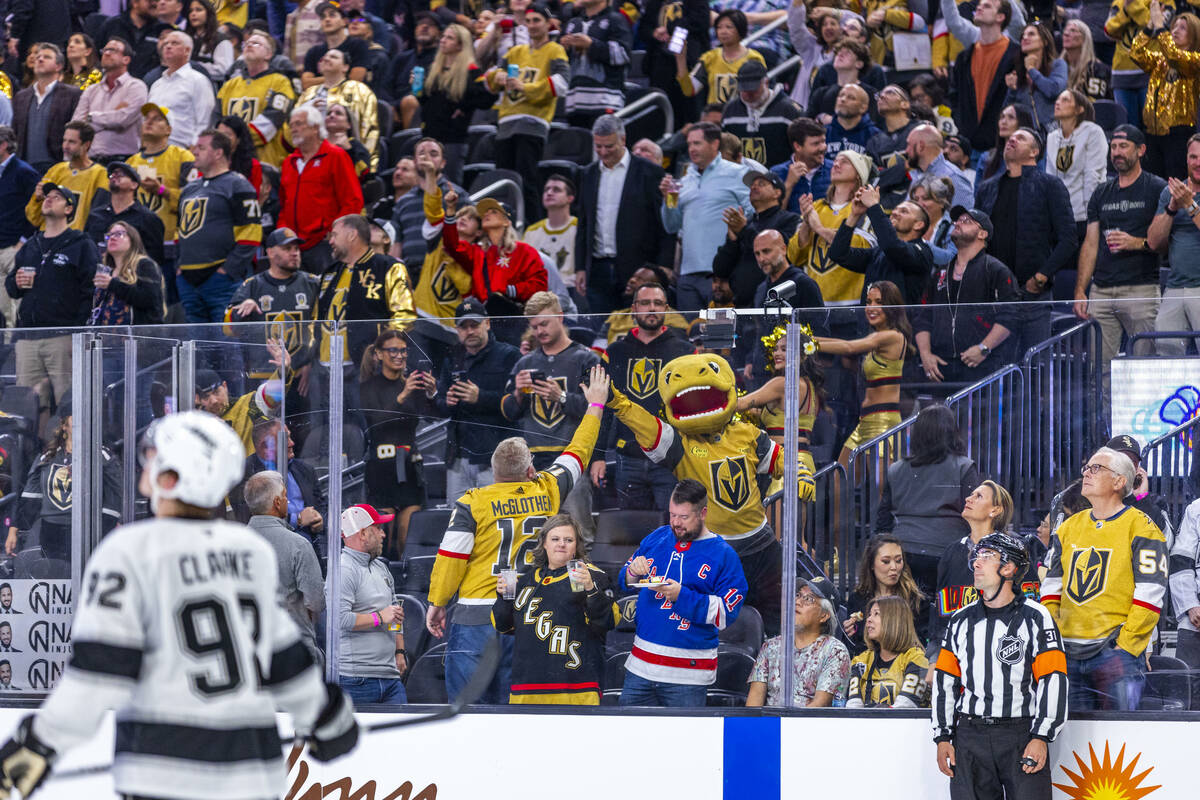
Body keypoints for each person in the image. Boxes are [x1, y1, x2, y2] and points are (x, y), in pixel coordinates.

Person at [0, 412, 358, 800]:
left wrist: (35, 746)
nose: (144, 467)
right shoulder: (248, 552)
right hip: (252, 777)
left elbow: (97, 677)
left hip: (163, 776)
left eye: (153, 459)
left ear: (170, 479)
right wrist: (327, 719)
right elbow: (283, 657)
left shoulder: (130, 551)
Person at [426, 365, 609, 704]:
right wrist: (596, 405)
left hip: (474, 614)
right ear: (530, 470)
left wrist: (437, 603)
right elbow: (579, 451)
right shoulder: (549, 487)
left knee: (467, 713)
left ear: (494, 474)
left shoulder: (472, 502)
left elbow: (451, 558)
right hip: (525, 613)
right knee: (513, 713)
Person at [932, 532, 1068, 799]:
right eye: (976, 556)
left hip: (1020, 734)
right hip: (969, 736)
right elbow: (945, 681)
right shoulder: (960, 619)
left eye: (987, 556)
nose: (976, 563)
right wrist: (943, 736)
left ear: (1008, 568)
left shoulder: (1036, 617)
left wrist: (1042, 736)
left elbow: (1054, 679)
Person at [1041, 447, 1168, 710]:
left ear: (1120, 481)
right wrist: (1054, 639)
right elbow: (1051, 590)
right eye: (1086, 468)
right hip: (1067, 652)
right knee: (1072, 746)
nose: (1087, 473)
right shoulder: (1067, 528)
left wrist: (1125, 647)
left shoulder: (1142, 526)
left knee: (1120, 744)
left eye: (1096, 468)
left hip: (1115, 655)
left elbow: (1150, 594)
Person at [619, 479, 749, 707]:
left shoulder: (724, 555)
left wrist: (682, 596)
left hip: (687, 676)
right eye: (672, 515)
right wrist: (632, 570)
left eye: (683, 517)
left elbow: (725, 613)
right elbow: (624, 579)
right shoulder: (658, 537)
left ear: (703, 513)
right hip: (639, 667)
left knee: (685, 743)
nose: (675, 523)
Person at [1073, 125, 1165, 401]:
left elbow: (1166, 241)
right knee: (1100, 373)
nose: (1117, 153)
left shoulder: (1156, 188)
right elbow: (1090, 243)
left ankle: (1143, 434)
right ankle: (1105, 436)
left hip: (1141, 289)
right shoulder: (1102, 192)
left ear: (1141, 150)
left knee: (1145, 369)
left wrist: (1136, 242)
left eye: (1123, 146)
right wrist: (1080, 289)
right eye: (1113, 147)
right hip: (1101, 289)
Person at [501, 292, 603, 532]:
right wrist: (517, 393)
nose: (539, 331)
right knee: (535, 534)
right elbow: (507, 412)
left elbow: (599, 409)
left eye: (544, 323)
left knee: (579, 532)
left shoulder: (586, 359)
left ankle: (580, 572)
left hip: (572, 457)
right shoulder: (524, 363)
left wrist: (562, 397)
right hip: (533, 461)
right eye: (534, 326)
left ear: (560, 316)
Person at [491, 513, 619, 705]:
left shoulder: (593, 576)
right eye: (555, 539)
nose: (561, 544)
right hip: (525, 689)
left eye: (568, 540)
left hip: (577, 689)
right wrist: (502, 597)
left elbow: (609, 621)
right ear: (544, 543)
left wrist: (591, 589)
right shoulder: (524, 580)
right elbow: (502, 626)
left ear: (577, 546)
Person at [974, 126, 1077, 354]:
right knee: (997, 364)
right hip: (995, 293)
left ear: (1034, 151)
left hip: (1033, 292)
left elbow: (1069, 238)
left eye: (1020, 138)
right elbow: (977, 238)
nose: (1011, 139)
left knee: (1035, 364)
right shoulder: (987, 188)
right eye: (1010, 137)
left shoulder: (1050, 185)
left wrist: (1041, 276)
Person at [602, 282, 695, 510]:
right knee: (633, 535)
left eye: (657, 303)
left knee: (676, 529)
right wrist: (597, 456)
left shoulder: (685, 352)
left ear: (666, 309)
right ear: (634, 308)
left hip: (672, 457)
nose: (651, 309)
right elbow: (602, 407)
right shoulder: (614, 352)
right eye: (645, 303)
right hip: (628, 457)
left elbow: (692, 407)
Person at [7, 184, 98, 414]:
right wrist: (16, 282)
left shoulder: (81, 243)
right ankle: (35, 450)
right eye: (47, 196)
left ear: (69, 209)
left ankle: (67, 450)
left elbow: (91, 291)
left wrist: (76, 333)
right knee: (29, 407)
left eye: (57, 197)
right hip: (28, 336)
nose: (48, 199)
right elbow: (11, 287)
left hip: (62, 336)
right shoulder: (31, 245)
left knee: (68, 404)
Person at [877, 405, 981, 597]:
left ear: (917, 434)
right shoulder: (964, 467)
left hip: (902, 554)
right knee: (944, 615)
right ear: (951, 432)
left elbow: (883, 520)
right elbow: (977, 515)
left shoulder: (896, 469)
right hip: (947, 553)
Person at [574, 114, 672, 317]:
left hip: (640, 268)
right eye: (598, 146)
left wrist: (663, 267)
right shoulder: (587, 174)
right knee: (601, 331)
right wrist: (580, 267)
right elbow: (583, 224)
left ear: (623, 140)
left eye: (609, 146)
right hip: (598, 268)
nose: (603, 152)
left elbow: (664, 223)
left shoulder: (650, 172)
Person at [914, 207, 1020, 386]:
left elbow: (1010, 316)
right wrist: (925, 354)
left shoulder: (995, 270)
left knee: (981, 413)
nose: (957, 223)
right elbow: (923, 316)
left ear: (982, 234)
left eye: (967, 221)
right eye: (957, 221)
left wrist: (984, 348)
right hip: (941, 366)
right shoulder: (941, 273)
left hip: (982, 365)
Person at [816, 280, 912, 466]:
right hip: (865, 420)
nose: (871, 307)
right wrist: (803, 336)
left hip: (883, 421)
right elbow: (843, 343)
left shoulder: (893, 336)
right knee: (840, 477)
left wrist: (807, 344)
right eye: (868, 302)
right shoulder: (875, 337)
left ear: (891, 306)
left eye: (879, 302)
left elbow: (849, 347)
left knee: (881, 488)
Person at [6, 411, 122, 561]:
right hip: (51, 534)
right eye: (76, 418)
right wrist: (13, 530)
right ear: (64, 425)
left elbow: (114, 498)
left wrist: (104, 531)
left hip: (87, 532)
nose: (82, 421)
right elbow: (30, 499)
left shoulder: (102, 457)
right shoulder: (48, 457)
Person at [357, 330, 432, 560]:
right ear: (378, 354)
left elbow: (432, 415)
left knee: (407, 540)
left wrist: (431, 392)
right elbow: (375, 423)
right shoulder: (368, 387)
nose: (399, 356)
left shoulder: (412, 384)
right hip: (381, 471)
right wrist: (403, 394)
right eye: (393, 350)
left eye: (403, 351)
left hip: (409, 469)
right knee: (383, 541)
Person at [661, 124, 753, 312]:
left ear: (714, 144)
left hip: (724, 274)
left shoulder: (737, 173)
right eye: (689, 144)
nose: (692, 149)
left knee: (723, 336)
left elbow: (752, 213)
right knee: (692, 335)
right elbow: (671, 226)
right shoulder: (683, 181)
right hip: (687, 274)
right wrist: (667, 200)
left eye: (697, 143)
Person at [437, 298, 522, 498]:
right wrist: (447, 402)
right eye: (463, 327)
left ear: (487, 323)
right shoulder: (452, 359)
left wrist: (481, 397)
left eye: (474, 325)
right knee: (458, 521)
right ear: (457, 330)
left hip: (496, 457)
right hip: (458, 456)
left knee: (496, 519)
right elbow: (440, 404)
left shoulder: (509, 355)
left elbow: (518, 406)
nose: (470, 331)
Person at [176, 129, 263, 324]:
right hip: (188, 281)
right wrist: (179, 267)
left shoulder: (238, 185)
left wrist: (227, 271)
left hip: (221, 281)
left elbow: (251, 233)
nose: (194, 152)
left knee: (226, 345)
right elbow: (179, 230)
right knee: (195, 347)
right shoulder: (190, 188)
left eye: (201, 147)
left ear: (218, 153)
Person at [243, 470, 326, 663]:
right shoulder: (298, 545)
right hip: (294, 651)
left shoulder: (233, 544)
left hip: (249, 651)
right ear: (277, 503)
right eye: (285, 496)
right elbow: (316, 603)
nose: (288, 502)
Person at [315, 213, 415, 372]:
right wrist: (310, 357)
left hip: (367, 368)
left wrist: (384, 350)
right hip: (324, 368)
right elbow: (315, 319)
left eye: (334, 235)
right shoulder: (329, 273)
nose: (330, 241)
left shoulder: (389, 267)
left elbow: (405, 315)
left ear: (352, 235)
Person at [225, 227, 320, 385]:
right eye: (287, 248)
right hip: (262, 375)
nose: (295, 253)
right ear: (269, 252)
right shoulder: (252, 285)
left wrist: (311, 364)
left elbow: (322, 328)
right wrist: (244, 308)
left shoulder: (312, 283)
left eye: (297, 248)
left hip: (300, 376)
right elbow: (228, 328)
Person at [787, 150, 876, 319]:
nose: (836, 164)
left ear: (859, 173)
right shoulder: (816, 207)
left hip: (852, 305)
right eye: (835, 160)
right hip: (814, 305)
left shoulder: (863, 208)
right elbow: (794, 256)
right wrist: (807, 221)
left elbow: (861, 249)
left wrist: (819, 229)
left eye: (845, 161)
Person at [929, 479, 1015, 651]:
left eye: (979, 496)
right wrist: (935, 656)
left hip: (1000, 649)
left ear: (995, 510)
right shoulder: (952, 551)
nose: (969, 499)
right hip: (956, 649)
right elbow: (941, 612)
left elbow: (1028, 606)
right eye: (971, 494)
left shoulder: (1013, 551)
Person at [336, 501, 408, 705]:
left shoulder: (380, 567)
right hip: (356, 678)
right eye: (378, 528)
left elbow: (395, 612)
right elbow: (339, 618)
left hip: (390, 676)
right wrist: (379, 617)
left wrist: (399, 651)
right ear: (362, 534)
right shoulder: (343, 569)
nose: (384, 534)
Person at [279, 104, 364, 274]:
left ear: (315, 128)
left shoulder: (336, 156)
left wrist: (337, 232)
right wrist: (284, 234)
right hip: (294, 245)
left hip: (325, 244)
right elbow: (284, 204)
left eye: (299, 124)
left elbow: (353, 200)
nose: (293, 129)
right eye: (291, 125)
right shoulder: (289, 162)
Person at [746, 576, 850, 707]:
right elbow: (754, 703)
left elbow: (820, 705)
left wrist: (788, 726)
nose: (798, 602)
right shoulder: (770, 647)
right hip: (770, 725)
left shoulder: (835, 652)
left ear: (824, 616)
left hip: (809, 725)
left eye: (808, 599)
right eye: (798, 595)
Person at [828, 183, 933, 305]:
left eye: (904, 211)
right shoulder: (877, 253)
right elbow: (838, 254)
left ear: (918, 224)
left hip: (901, 323)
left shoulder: (922, 252)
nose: (894, 213)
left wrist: (873, 206)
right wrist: (854, 215)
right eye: (895, 209)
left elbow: (892, 247)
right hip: (869, 321)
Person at [738, 326, 823, 475]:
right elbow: (783, 419)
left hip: (783, 461)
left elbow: (741, 404)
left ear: (802, 356)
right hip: (805, 462)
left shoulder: (781, 383)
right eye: (776, 349)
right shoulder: (810, 386)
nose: (777, 353)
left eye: (784, 349)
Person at [712, 169, 801, 308]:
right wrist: (732, 240)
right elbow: (720, 269)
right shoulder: (744, 222)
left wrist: (744, 230)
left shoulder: (789, 220)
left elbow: (787, 254)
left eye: (761, 184)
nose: (754, 187)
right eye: (752, 185)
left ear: (777, 193)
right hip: (742, 305)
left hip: (776, 303)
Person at [1130, 2, 1200, 180]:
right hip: (1152, 133)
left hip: (1179, 134)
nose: (1175, 30)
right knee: (1153, 186)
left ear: (1194, 36)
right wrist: (1150, 26)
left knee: (1176, 184)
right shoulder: (1160, 61)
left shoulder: (1195, 60)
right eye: (1174, 26)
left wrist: (1161, 27)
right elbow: (1136, 53)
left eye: (1182, 28)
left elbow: (1174, 56)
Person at [417, 24, 494, 185]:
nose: (443, 40)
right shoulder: (434, 69)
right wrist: (416, 89)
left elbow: (486, 99)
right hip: (429, 135)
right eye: (443, 36)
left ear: (460, 45)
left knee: (450, 186)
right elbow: (425, 101)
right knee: (424, 184)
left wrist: (464, 107)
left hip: (453, 139)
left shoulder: (471, 71)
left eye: (449, 38)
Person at [128, 103, 197, 273]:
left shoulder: (182, 156)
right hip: (136, 245)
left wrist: (162, 191)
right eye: (146, 119)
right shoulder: (131, 162)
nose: (149, 122)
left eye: (157, 119)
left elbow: (194, 200)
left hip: (169, 242)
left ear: (169, 130)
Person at [949, 0, 1021, 153]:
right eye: (979, 5)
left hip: (1002, 145)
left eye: (987, 6)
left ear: (1000, 17)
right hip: (970, 143)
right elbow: (954, 95)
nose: (979, 7)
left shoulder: (1016, 55)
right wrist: (961, 122)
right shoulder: (964, 57)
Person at [1150, 134, 1200, 355]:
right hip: (1175, 286)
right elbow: (1153, 242)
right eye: (1193, 157)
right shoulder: (1170, 193)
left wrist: (1190, 205)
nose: (1198, 163)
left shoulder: (1186, 198)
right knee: (1166, 356)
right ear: (1186, 159)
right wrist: (1171, 207)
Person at [218, 30, 297, 167]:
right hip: (230, 160)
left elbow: (274, 118)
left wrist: (236, 139)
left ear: (268, 54)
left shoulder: (280, 82)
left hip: (265, 161)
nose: (249, 45)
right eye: (247, 43)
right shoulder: (229, 85)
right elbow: (217, 118)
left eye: (256, 43)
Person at [295, 47, 380, 172]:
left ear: (345, 67)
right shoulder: (308, 94)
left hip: (348, 159)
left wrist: (368, 169)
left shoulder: (360, 90)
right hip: (308, 160)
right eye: (324, 57)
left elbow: (370, 130)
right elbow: (292, 129)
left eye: (333, 57)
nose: (326, 59)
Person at [844, 534, 927, 655]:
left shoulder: (917, 601)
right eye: (886, 561)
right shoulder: (857, 599)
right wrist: (850, 633)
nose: (894, 567)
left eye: (898, 561)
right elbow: (854, 649)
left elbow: (922, 645)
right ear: (871, 564)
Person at [1045, 90, 1109, 241]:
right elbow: (1050, 179)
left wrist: (1092, 216)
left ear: (1079, 109)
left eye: (1065, 100)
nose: (1058, 102)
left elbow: (1092, 175)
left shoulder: (1093, 132)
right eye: (1058, 99)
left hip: (1084, 216)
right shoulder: (1052, 137)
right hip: (1058, 217)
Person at [845, 595, 930, 708]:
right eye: (869, 614)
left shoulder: (917, 658)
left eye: (876, 614)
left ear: (894, 620)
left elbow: (905, 706)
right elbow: (853, 707)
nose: (869, 619)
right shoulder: (861, 661)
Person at [71, 38, 147, 162]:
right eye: (105, 50)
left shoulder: (136, 86)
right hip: (90, 160)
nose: (106, 53)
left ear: (126, 59)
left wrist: (91, 117)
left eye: (113, 50)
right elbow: (77, 125)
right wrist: (111, 119)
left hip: (124, 160)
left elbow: (123, 119)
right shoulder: (91, 90)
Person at [560, 0, 633, 128]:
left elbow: (623, 55)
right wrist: (562, 49)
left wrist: (591, 45)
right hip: (574, 101)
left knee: (603, 146)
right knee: (580, 146)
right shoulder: (572, 23)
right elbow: (562, 64)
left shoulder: (616, 19)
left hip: (606, 100)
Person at [25, 121, 108, 233]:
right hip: (46, 238)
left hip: (76, 241)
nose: (65, 146)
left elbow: (99, 218)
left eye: (72, 142)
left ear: (86, 145)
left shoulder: (100, 175)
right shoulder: (55, 170)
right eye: (64, 140)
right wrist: (38, 199)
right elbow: (33, 219)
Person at [11, 43, 82, 174]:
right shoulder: (21, 96)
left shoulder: (72, 94)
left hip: (58, 165)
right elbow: (14, 132)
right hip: (24, 167)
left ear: (59, 66)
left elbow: (76, 130)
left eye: (47, 57)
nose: (40, 59)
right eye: (38, 56)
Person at [676, 9, 765, 107]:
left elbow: (762, 92)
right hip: (714, 116)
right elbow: (689, 90)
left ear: (741, 29)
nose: (723, 31)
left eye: (729, 27)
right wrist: (681, 59)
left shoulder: (754, 58)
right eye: (719, 27)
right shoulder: (709, 57)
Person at [84, 160, 166, 266]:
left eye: (121, 174)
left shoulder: (148, 218)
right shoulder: (96, 215)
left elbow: (154, 257)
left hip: (131, 277)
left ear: (134, 185)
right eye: (112, 175)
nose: (114, 176)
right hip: (96, 275)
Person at [147, 31, 216, 149]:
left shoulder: (198, 81)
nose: (168, 46)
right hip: (152, 150)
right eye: (166, 44)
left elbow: (205, 121)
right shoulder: (156, 84)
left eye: (174, 43)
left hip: (183, 151)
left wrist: (195, 149)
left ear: (187, 50)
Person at [89, 221, 166, 327]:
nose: (112, 238)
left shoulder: (144, 265)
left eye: (119, 234)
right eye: (109, 236)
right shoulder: (108, 271)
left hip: (139, 337)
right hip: (108, 339)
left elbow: (150, 299)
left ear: (133, 240)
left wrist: (112, 284)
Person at [0, 126, 39, 328]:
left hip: (14, 249)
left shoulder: (24, 172)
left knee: (13, 310)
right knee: (2, 308)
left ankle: (13, 352)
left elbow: (37, 209)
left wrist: (23, 241)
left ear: (3, 145)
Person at [1003, 22, 1067, 130]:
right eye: (1023, 35)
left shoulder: (1058, 65)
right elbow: (1006, 112)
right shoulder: (1018, 72)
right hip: (1026, 136)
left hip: (1053, 133)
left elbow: (1053, 89)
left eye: (1031, 34)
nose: (1025, 38)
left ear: (1045, 41)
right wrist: (1012, 90)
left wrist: (1032, 70)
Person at [523, 174, 579, 292]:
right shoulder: (532, 231)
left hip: (571, 290)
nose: (549, 193)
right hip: (539, 292)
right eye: (546, 190)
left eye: (556, 190)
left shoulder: (579, 228)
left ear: (570, 198)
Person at [1172, 495, 1200, 708]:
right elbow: (1180, 559)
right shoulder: (1196, 509)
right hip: (1195, 623)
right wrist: (1190, 605)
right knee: (1188, 697)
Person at [301, 2, 369, 89]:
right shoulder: (313, 51)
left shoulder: (358, 45)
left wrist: (319, 80)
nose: (327, 19)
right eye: (323, 17)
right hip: (321, 100)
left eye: (332, 15)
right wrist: (338, 77)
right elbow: (306, 84)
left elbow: (355, 79)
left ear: (344, 21)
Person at [904, 124, 972, 210]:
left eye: (909, 145)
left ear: (920, 146)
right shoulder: (917, 174)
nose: (906, 151)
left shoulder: (953, 177)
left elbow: (963, 219)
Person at [99, 0, 173, 80]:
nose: (155, 4)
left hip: (150, 84)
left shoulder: (162, 30)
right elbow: (98, 55)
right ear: (135, 3)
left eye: (157, 0)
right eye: (150, 1)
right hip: (114, 84)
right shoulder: (112, 25)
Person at [773, 116, 832, 214]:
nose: (823, 147)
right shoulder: (777, 173)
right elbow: (773, 217)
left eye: (823, 141)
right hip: (791, 228)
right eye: (816, 143)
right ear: (798, 146)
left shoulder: (835, 170)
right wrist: (788, 184)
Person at [976, 102, 1034, 184]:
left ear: (1022, 122)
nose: (1003, 122)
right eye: (1002, 117)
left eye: (1011, 117)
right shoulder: (986, 158)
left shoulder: (1032, 157)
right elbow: (977, 194)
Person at [866, 84, 919, 169]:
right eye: (879, 95)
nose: (882, 96)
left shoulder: (922, 129)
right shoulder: (874, 143)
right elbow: (876, 178)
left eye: (890, 93)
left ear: (905, 104)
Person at [910, 174, 957, 267]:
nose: (919, 204)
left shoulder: (954, 228)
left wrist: (922, 244)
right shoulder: (908, 224)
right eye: (916, 199)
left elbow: (952, 258)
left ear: (942, 202)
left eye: (926, 198)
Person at [822, 83, 878, 161]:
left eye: (851, 98)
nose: (843, 99)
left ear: (863, 108)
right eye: (841, 95)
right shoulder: (822, 132)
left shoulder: (875, 136)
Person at [1062, 18, 1112, 102]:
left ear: (1084, 38)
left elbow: (1095, 105)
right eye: (1065, 30)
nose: (1066, 33)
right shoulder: (1058, 67)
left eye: (1073, 31)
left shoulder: (1096, 70)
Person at [188, 0, 237, 81]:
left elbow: (223, 71)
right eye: (191, 11)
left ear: (209, 13)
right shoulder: (186, 38)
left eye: (198, 10)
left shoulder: (221, 40)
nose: (193, 14)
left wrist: (193, 67)